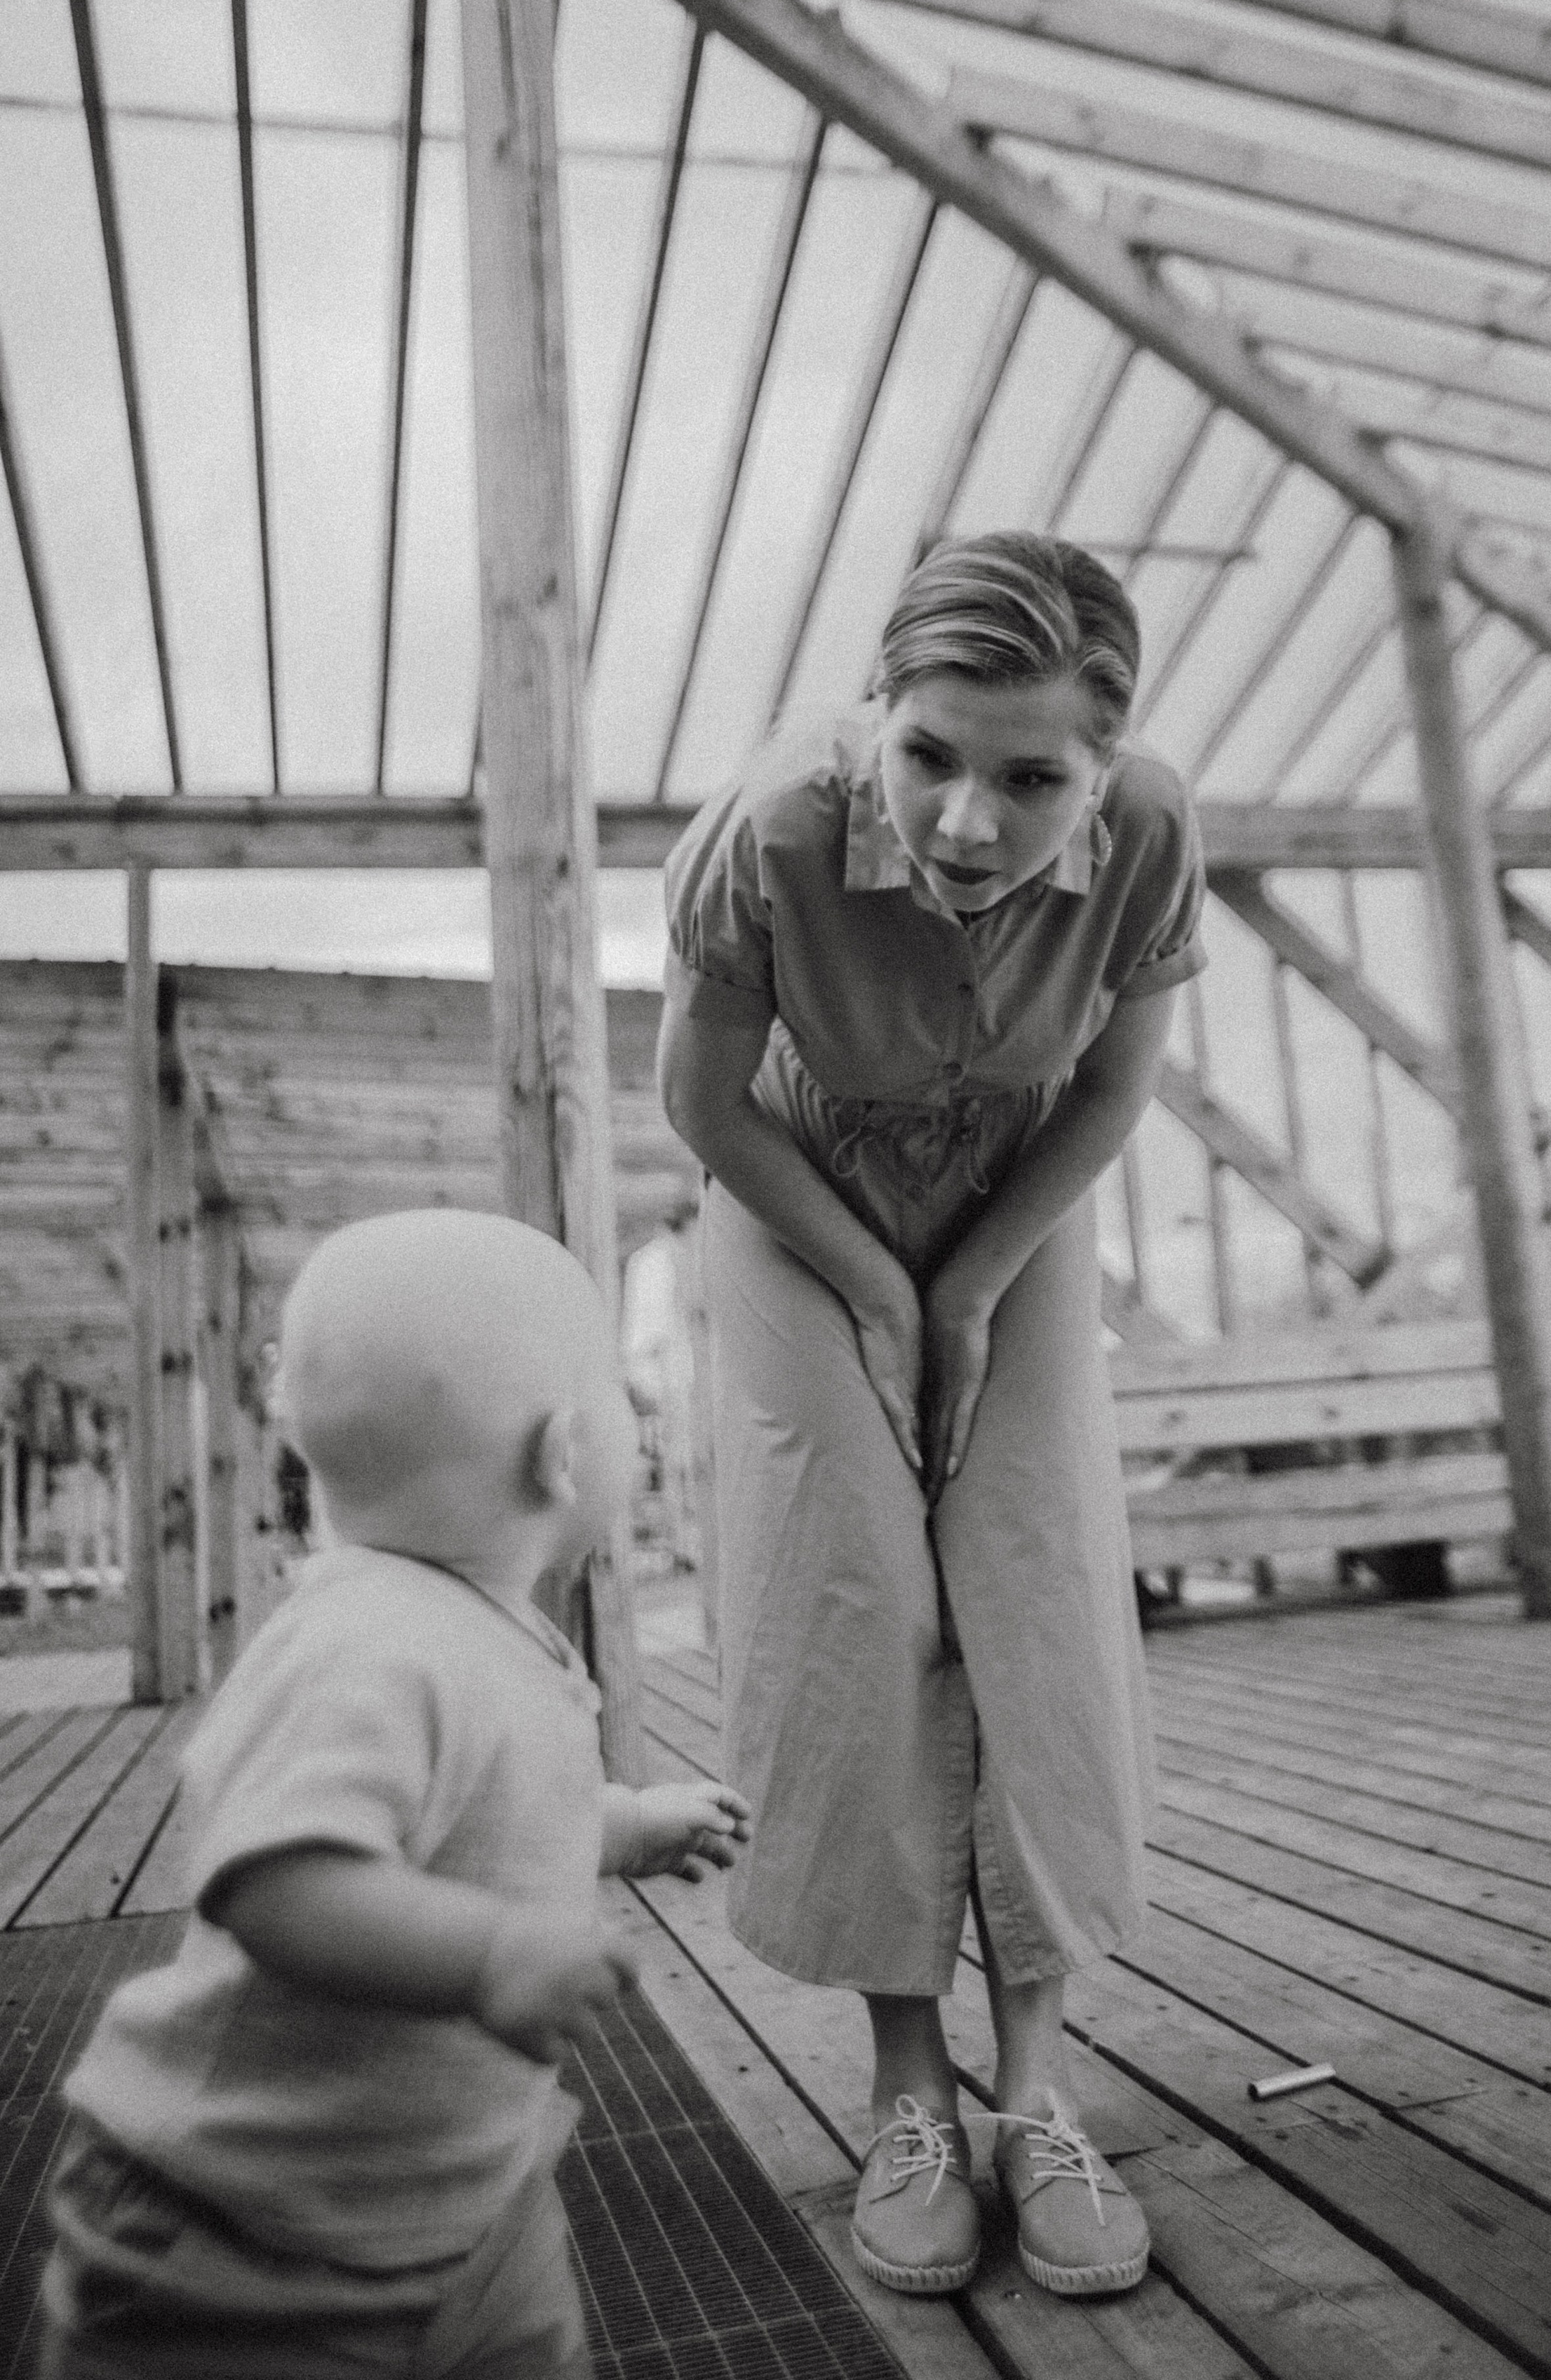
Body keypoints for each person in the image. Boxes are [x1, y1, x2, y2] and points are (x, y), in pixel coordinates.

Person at [659, 532, 1202, 2300]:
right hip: (793, 1184)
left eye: (1031, 777)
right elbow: (699, 1101)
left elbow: (1117, 1078)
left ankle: (1036, 2093)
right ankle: (907, 2093)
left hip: (1020, 1197)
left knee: (1031, 1582)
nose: (970, 821)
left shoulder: (1150, 840)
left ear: (1100, 768)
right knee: (854, 1591)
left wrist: (970, 1283)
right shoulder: (779, 828)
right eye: (930, 758)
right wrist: (884, 1294)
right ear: (877, 720)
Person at [41, 1207, 751, 2380]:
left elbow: (482, 1817)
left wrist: (624, 1825)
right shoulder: (364, 1642)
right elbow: (278, 1879)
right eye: (624, 1395)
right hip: (243, 2232)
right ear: (562, 1453)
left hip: (456, 2200)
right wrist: (486, 1958)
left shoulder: (483, 1630)